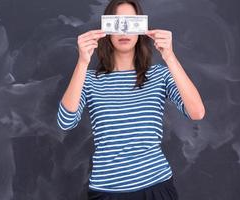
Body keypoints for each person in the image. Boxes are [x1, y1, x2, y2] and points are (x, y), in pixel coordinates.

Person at [56, 0, 205, 199]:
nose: (124, 30)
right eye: (117, 22)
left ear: (141, 29)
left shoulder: (159, 75)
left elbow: (197, 112)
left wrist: (170, 56)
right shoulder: (90, 80)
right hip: (107, 191)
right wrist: (82, 62)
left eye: (131, 22)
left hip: (156, 186)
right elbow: (65, 122)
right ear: (107, 29)